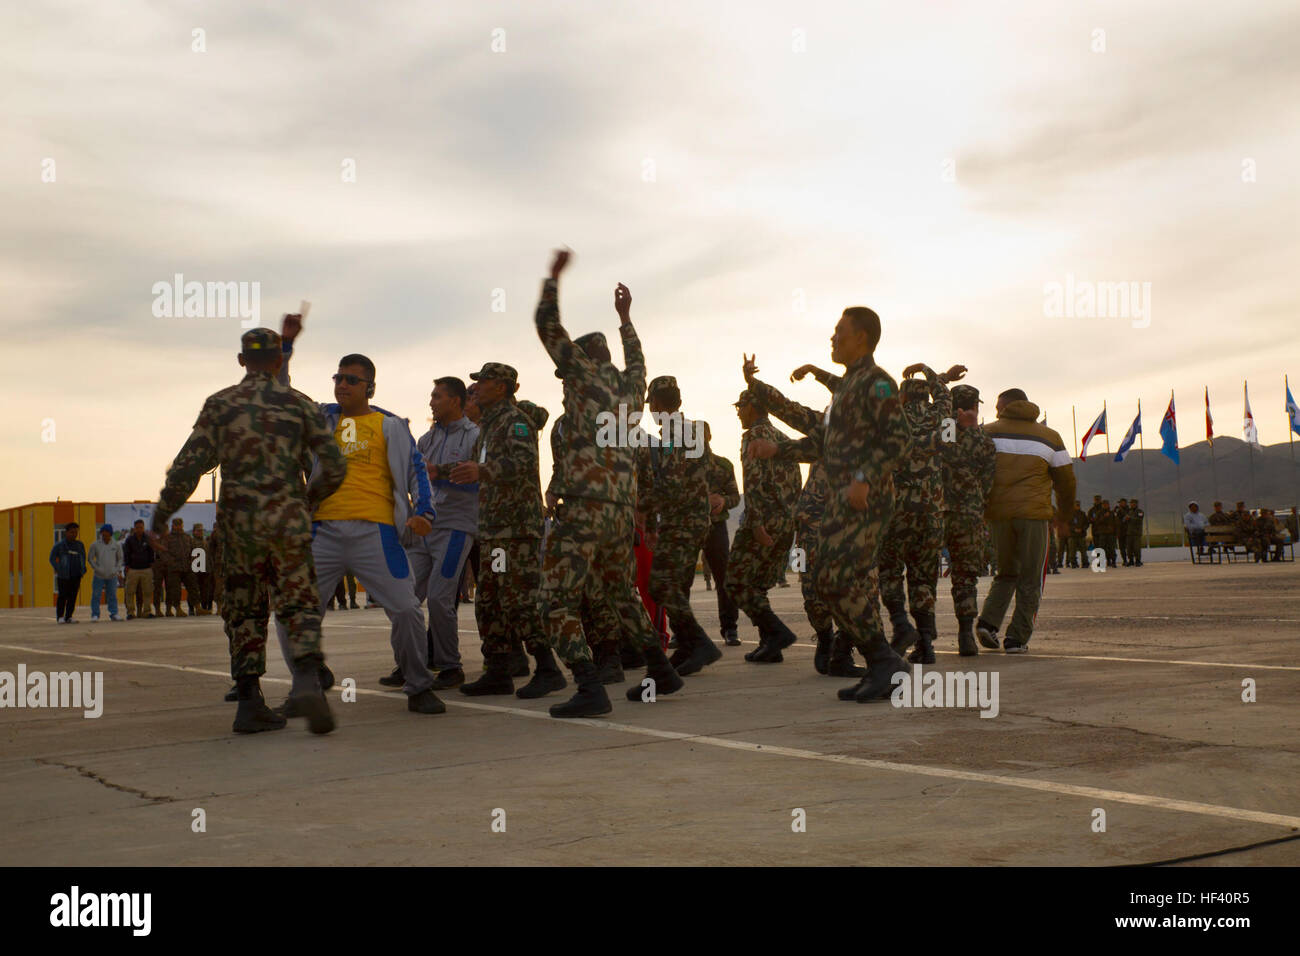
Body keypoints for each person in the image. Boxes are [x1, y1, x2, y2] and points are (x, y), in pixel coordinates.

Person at [152, 327, 345, 734]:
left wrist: (161, 515)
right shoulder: (300, 405)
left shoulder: (221, 405)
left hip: (239, 529)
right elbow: (335, 465)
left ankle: (249, 701)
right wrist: (306, 502)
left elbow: (187, 466)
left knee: (244, 611)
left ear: (242, 360)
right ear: (279, 361)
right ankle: (308, 680)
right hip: (288, 526)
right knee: (299, 605)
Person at [529, 255, 684, 716]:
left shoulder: (579, 372)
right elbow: (638, 359)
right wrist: (625, 319)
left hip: (584, 507)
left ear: (580, 359)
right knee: (621, 591)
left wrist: (553, 280)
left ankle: (589, 686)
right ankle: (661, 669)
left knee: (553, 600)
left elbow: (545, 323)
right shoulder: (632, 387)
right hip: (620, 508)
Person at [274, 314, 444, 716]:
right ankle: (308, 679)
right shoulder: (321, 418)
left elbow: (418, 469)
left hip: (377, 534)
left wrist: (425, 513)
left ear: (369, 386)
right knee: (289, 614)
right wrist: (286, 347)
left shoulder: (389, 425)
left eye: (351, 379)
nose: (343, 385)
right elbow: (281, 392)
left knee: (405, 609)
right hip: (323, 533)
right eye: (338, 378)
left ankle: (419, 686)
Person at [750, 306, 913, 701]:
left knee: (838, 579)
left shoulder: (878, 383)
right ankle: (881, 663)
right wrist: (778, 450)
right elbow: (823, 444)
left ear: (862, 337)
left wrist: (864, 477)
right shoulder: (846, 387)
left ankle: (885, 662)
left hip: (866, 500)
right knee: (825, 579)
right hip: (841, 499)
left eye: (840, 331)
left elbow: (899, 438)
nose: (833, 337)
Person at [741, 361, 865, 677]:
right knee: (812, 590)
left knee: (858, 590)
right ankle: (825, 637)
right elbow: (787, 407)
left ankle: (841, 650)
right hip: (813, 521)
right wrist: (754, 385)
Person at [448, 361, 562, 698]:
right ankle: (497, 671)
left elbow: (522, 464)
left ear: (501, 386)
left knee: (519, 600)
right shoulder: (489, 425)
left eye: (482, 382)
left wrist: (482, 472)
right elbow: (476, 466)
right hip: (495, 529)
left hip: (516, 529)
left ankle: (547, 668)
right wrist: (438, 469)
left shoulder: (515, 423)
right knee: (490, 601)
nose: (477, 388)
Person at [975, 388, 1076, 653]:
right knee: (1031, 578)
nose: (996, 412)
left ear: (1009, 406)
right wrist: (1064, 517)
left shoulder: (988, 432)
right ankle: (1016, 639)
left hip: (998, 515)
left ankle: (987, 623)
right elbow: (1066, 483)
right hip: (1033, 517)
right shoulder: (1051, 437)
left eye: (999, 407)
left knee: (1006, 572)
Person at [636, 375, 723, 676]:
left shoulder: (674, 433)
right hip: (693, 518)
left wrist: (641, 507)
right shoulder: (692, 430)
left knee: (661, 584)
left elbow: (670, 484)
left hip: (682, 520)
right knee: (675, 586)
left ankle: (698, 643)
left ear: (657, 404)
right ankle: (688, 646)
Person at [399, 376, 480, 691]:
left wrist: (440, 474)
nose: (431, 401)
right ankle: (409, 662)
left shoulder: (476, 436)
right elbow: (418, 481)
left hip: (456, 528)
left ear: (455, 401)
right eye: (431, 395)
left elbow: (478, 480)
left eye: (437, 396)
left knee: (439, 598)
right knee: (404, 595)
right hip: (424, 528)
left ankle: (450, 666)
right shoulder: (425, 439)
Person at [876, 363, 953, 664]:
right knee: (923, 579)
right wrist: (929, 371)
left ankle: (901, 627)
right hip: (933, 514)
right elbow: (944, 395)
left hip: (898, 512)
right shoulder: (940, 417)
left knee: (891, 571)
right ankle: (926, 644)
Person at [728, 387, 802, 664]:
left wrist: (757, 523)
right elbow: (796, 481)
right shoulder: (782, 439)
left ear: (754, 407)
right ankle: (770, 645)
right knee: (758, 584)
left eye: (741, 407)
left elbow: (754, 482)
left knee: (735, 581)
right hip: (785, 520)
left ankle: (777, 632)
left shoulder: (754, 437)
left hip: (763, 520)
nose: (738, 413)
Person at [940, 383, 997, 655]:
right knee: (965, 576)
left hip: (938, 511)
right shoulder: (982, 439)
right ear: (973, 407)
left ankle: (937, 638)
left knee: (930, 574)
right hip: (966, 514)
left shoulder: (942, 431)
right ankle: (964, 634)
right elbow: (987, 481)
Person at [701, 423, 741, 643]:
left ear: (710, 435)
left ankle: (730, 627)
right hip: (689, 527)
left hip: (716, 527)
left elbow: (735, 496)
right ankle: (682, 632)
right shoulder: (681, 465)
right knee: (681, 579)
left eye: (702, 433)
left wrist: (724, 501)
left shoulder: (723, 465)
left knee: (724, 578)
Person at [49, 522, 87, 624]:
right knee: (62, 596)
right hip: (64, 575)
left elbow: (83, 557)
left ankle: (69, 616)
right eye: (72, 532)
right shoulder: (60, 545)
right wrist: (58, 568)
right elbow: (52, 558)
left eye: (76, 532)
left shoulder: (79, 545)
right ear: (66, 533)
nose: (74, 534)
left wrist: (83, 569)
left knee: (73, 596)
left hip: (76, 575)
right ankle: (60, 616)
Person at [88, 524, 123, 622]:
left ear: (110, 533)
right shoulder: (95, 545)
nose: (104, 534)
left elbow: (120, 559)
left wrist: (116, 570)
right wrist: (96, 568)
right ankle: (95, 614)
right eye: (103, 532)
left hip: (112, 575)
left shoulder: (116, 545)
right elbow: (90, 558)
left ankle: (114, 613)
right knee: (96, 595)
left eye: (107, 532)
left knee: (112, 595)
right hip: (99, 575)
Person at [122, 519, 155, 619]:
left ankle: (147, 611)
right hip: (133, 569)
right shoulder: (129, 540)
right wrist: (127, 565)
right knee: (130, 592)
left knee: (148, 591)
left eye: (141, 527)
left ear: (143, 528)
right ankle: (131, 612)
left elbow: (151, 552)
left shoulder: (148, 539)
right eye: (137, 528)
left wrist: (151, 565)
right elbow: (126, 553)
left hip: (146, 569)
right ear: (134, 528)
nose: (139, 529)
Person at [191, 524, 214, 614]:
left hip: (206, 569)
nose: (201, 532)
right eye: (198, 530)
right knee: (194, 590)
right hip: (195, 569)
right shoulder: (191, 542)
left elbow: (209, 556)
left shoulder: (205, 542)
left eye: (201, 530)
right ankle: (192, 609)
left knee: (205, 590)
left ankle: (204, 608)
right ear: (194, 532)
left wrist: (210, 567)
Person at [1066, 500, 1089, 568]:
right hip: (1072, 535)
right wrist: (1074, 529)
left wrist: (1082, 529)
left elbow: (1086, 523)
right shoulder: (1070, 515)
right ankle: (1073, 563)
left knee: (1083, 551)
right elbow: (1068, 524)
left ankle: (1085, 563)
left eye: (1078, 505)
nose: (1077, 506)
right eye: (1076, 505)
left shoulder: (1083, 514)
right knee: (1072, 551)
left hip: (1081, 535)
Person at [1125, 498, 1145, 566]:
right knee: (1129, 548)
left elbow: (1139, 520)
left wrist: (1130, 518)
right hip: (1129, 533)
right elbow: (1125, 520)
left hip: (1136, 533)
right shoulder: (1129, 512)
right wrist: (1126, 519)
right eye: (1131, 503)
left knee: (1136, 548)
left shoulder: (1140, 512)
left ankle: (1138, 560)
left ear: (1136, 504)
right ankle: (1131, 560)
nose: (1131, 504)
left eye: (1133, 503)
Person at [1113, 498, 1130, 566]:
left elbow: (1128, 518)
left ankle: (1130, 559)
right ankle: (1125, 560)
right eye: (1120, 503)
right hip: (1120, 532)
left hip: (1127, 531)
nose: (1121, 504)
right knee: (1122, 547)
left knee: (1129, 547)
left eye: (1122, 502)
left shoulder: (1129, 510)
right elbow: (1115, 517)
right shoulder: (1117, 510)